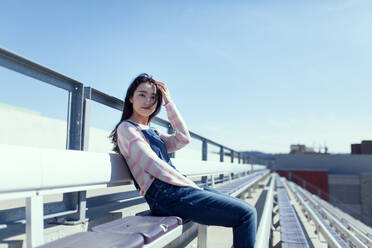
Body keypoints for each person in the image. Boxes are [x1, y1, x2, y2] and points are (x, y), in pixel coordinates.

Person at [109, 73, 257, 248]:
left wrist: (169, 103)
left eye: (154, 97)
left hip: (175, 190)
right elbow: (154, 166)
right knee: (245, 214)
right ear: (130, 98)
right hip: (165, 194)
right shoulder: (127, 128)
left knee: (248, 210)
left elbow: (183, 138)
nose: (148, 101)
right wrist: (190, 185)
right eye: (142, 94)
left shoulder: (152, 132)